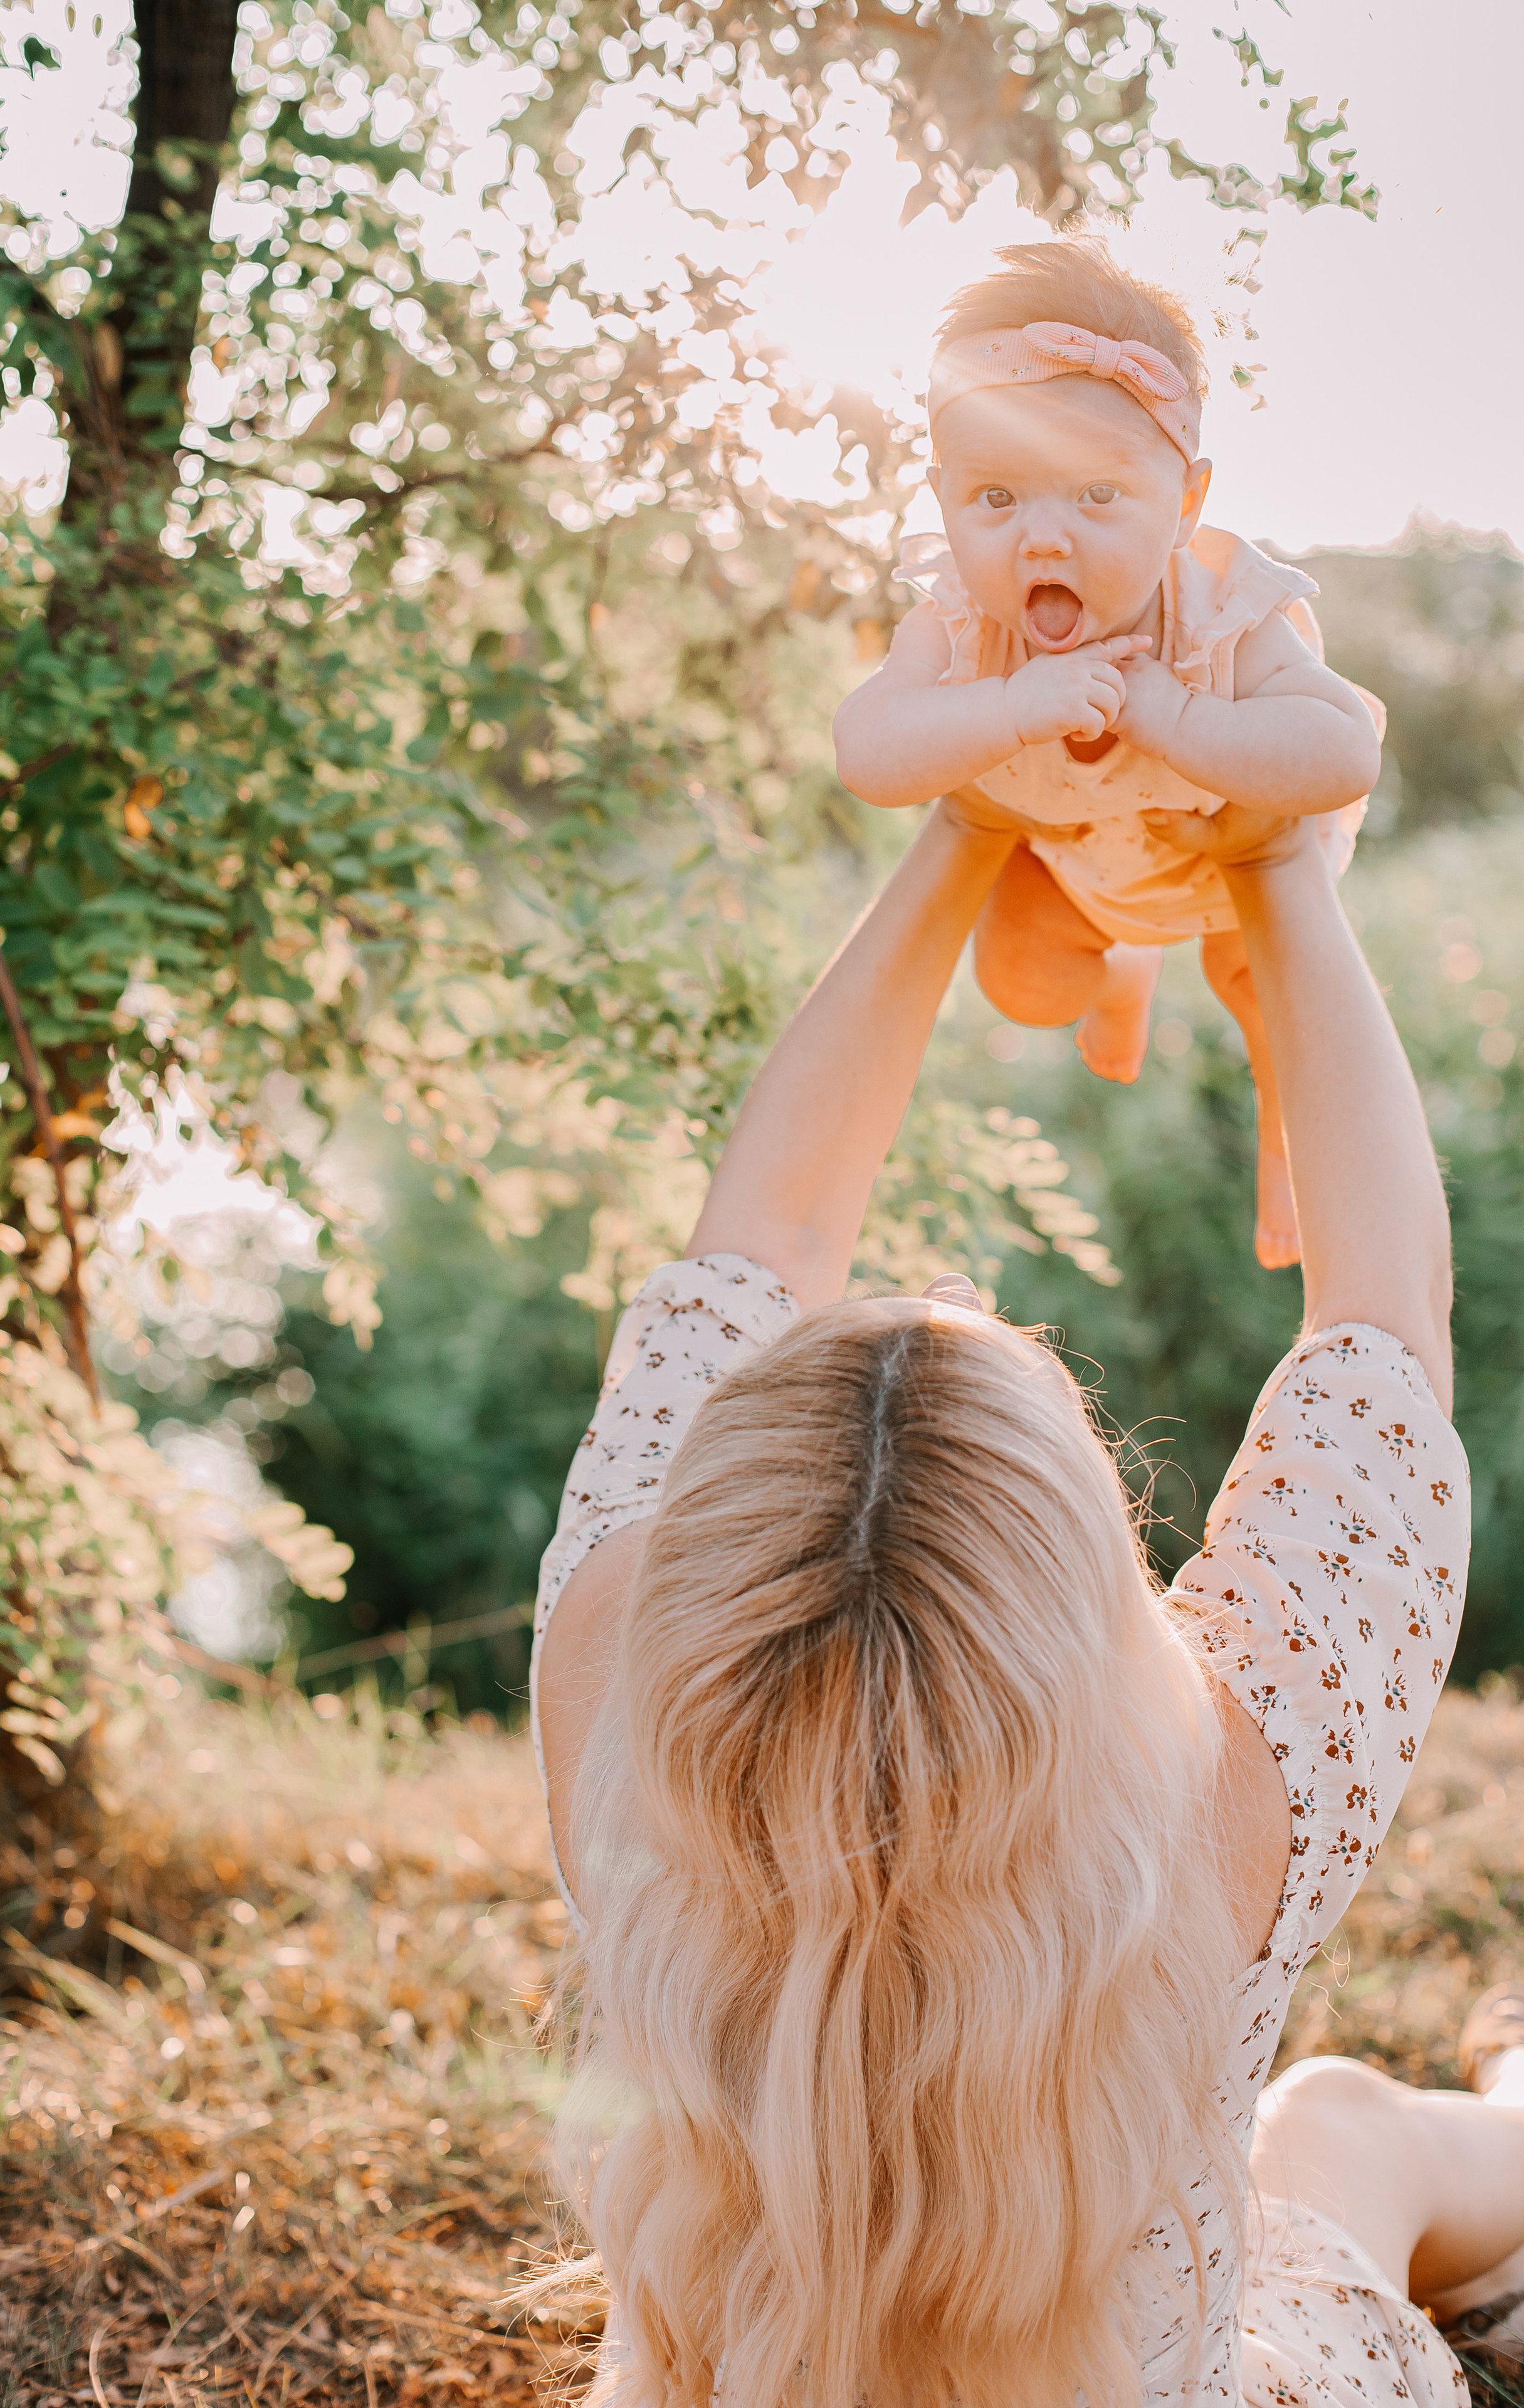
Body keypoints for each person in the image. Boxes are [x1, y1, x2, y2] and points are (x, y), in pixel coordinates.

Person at [530, 788, 1500, 2405]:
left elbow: (764, 1227)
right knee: (1331, 2126)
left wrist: (969, 819)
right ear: (1077, 1587)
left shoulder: (611, 1686)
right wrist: (1268, 859)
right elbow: (1385, 1306)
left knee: (1323, 2144)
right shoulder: (1229, 1782)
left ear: (706, 1544)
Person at [831, 238, 1385, 1271]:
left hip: (1231, 868)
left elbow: (1344, 749)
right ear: (943, 497)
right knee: (1021, 983)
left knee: (1268, 997)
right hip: (1083, 865)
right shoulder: (956, 628)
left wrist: (1178, 719)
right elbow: (868, 751)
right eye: (996, 498)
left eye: (1097, 497)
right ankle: (1122, 965)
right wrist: (1008, 708)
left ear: (1185, 502)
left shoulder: (1222, 612)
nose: (1044, 540)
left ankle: (1284, 1147)